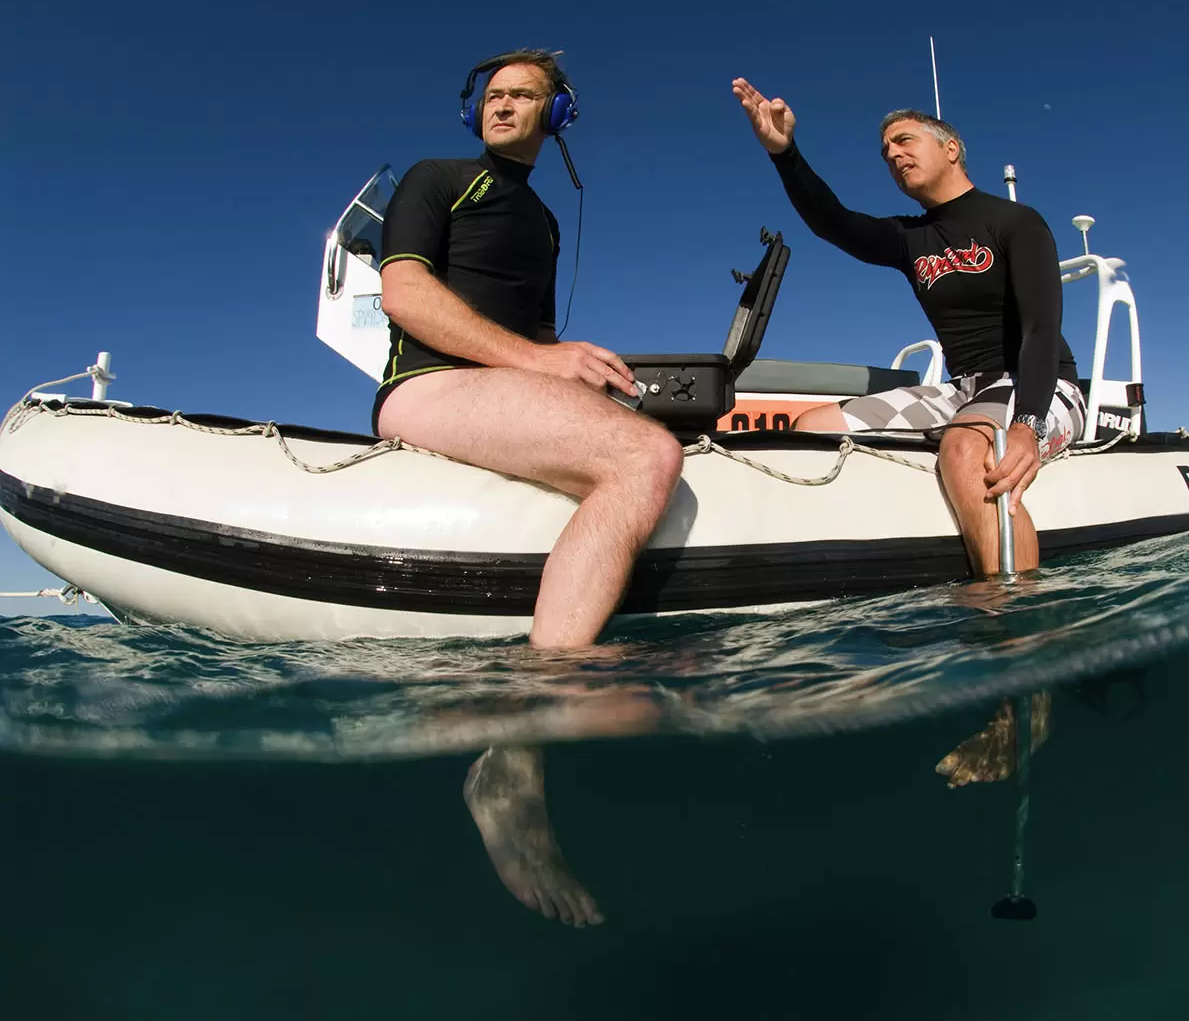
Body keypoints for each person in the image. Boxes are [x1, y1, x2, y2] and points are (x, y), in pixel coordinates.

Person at [375, 49, 685, 927]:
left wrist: (570, 377)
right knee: (643, 460)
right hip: (427, 387)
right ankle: (522, 742)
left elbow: (531, 348)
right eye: (493, 95)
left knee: (650, 432)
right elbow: (403, 295)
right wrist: (541, 361)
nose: (502, 107)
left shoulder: (544, 218)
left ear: (557, 118)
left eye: (524, 97)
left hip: (500, 387)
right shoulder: (438, 179)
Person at [732, 78, 1081, 786]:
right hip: (959, 388)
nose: (892, 156)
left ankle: (1025, 673)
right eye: (884, 149)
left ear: (950, 148)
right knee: (810, 422)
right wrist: (783, 152)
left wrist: (1027, 426)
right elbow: (830, 221)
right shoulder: (908, 238)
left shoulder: (1016, 223)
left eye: (904, 141)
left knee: (962, 447)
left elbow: (1043, 329)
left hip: (1039, 382)